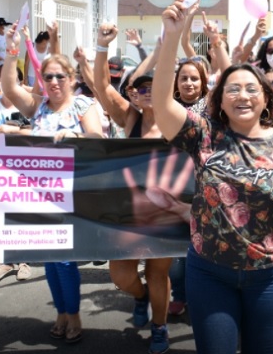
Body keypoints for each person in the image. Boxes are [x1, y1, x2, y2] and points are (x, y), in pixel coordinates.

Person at [152, 0, 273, 354]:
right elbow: (161, 104)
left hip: (272, 278)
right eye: (233, 88)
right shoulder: (203, 134)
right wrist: (172, 37)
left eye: (252, 88)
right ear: (220, 99)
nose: (242, 95)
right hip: (209, 273)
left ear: (266, 98)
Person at [0, 22, 103, 345]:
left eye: (61, 76)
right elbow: (8, 88)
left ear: (72, 79)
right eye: (48, 77)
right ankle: (60, 312)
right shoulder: (38, 107)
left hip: (74, 195)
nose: (55, 82)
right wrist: (11, 51)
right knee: (47, 257)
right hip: (39, 194)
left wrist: (77, 135)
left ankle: (72, 315)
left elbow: (99, 139)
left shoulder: (84, 105)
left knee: (64, 259)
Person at [92, 24, 175, 354]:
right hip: (126, 213)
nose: (145, 92)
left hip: (165, 212)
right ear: (133, 94)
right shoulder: (130, 119)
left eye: (152, 87)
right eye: (139, 89)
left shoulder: (177, 121)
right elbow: (100, 86)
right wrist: (102, 46)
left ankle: (160, 326)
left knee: (158, 274)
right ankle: (139, 298)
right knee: (121, 275)